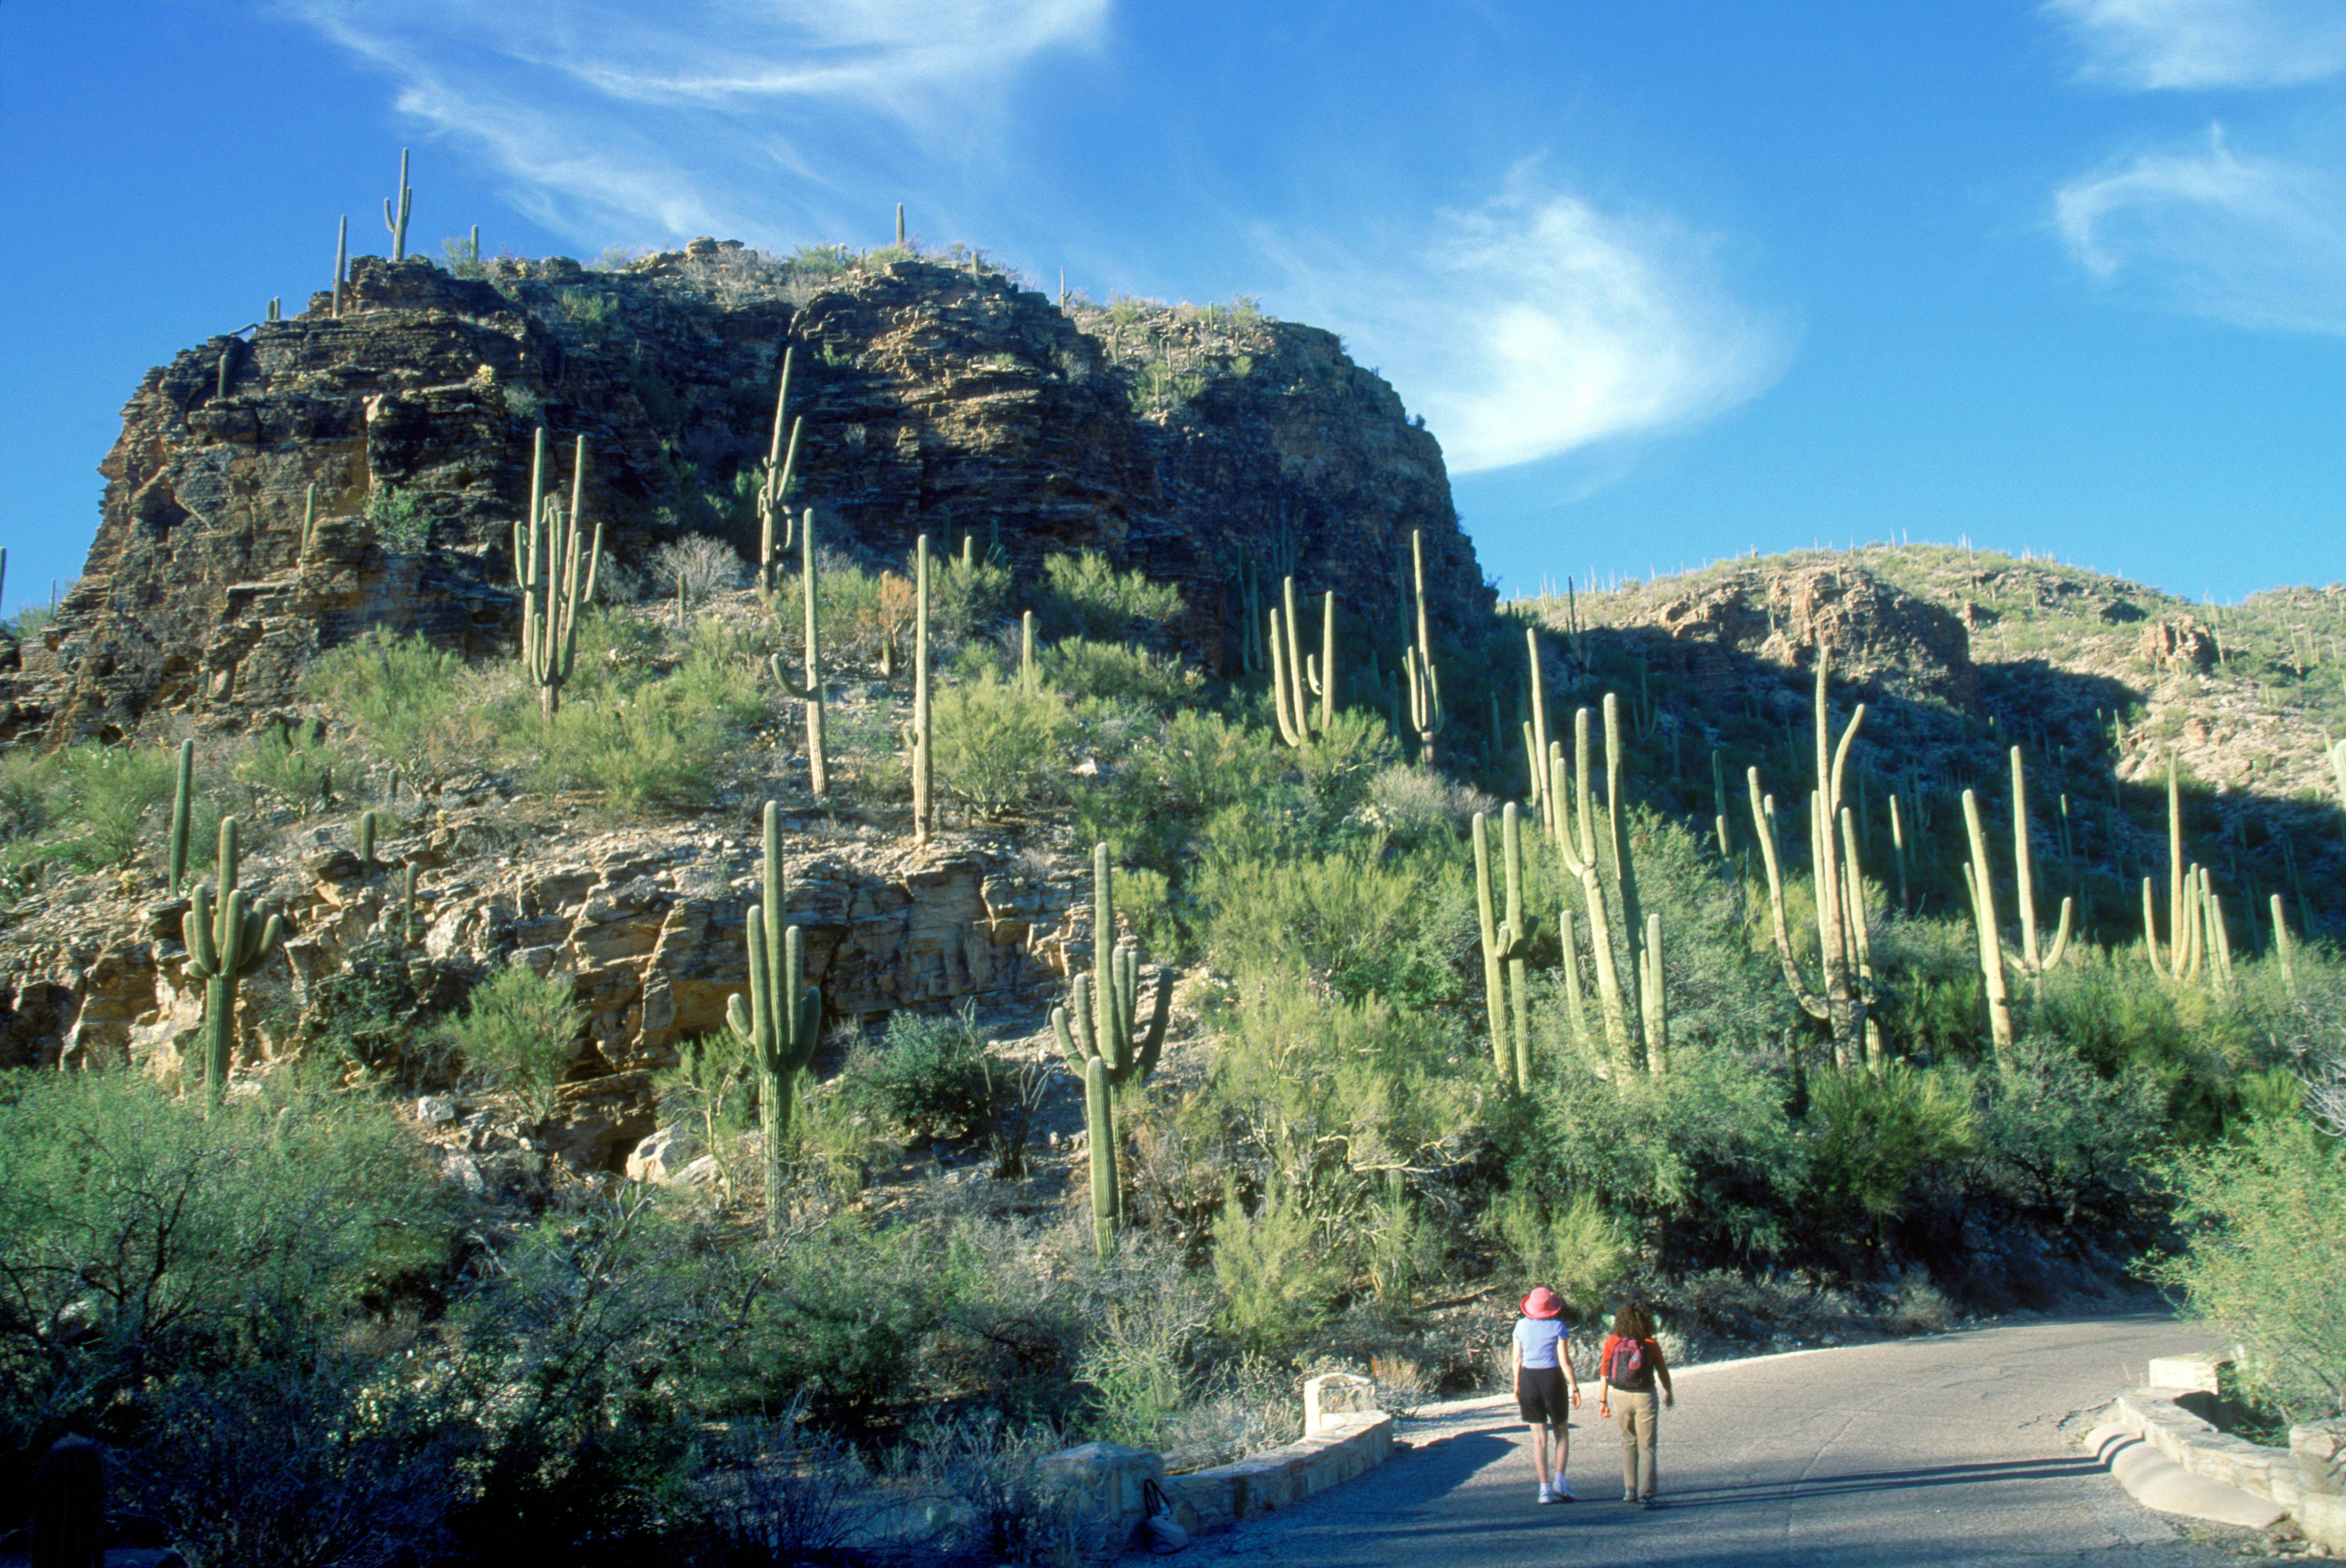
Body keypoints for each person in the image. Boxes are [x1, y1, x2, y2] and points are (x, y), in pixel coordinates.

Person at [1596, 1302, 1674, 1507]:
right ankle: (1646, 1494)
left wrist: (1603, 1401)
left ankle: (1630, 1489)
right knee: (1647, 1446)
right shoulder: (1650, 1343)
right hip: (1645, 1395)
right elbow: (1663, 1372)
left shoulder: (1612, 1341)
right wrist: (1669, 1391)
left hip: (1620, 1395)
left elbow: (1604, 1372)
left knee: (1628, 1441)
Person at [1511, 1285, 1582, 1504]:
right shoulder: (1558, 1327)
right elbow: (1565, 1361)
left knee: (1539, 1438)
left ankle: (1544, 1489)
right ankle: (1560, 1479)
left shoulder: (1520, 1327)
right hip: (1552, 1378)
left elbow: (1517, 1360)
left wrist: (1516, 1385)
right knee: (1561, 1430)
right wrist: (1575, 1387)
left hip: (1529, 1379)